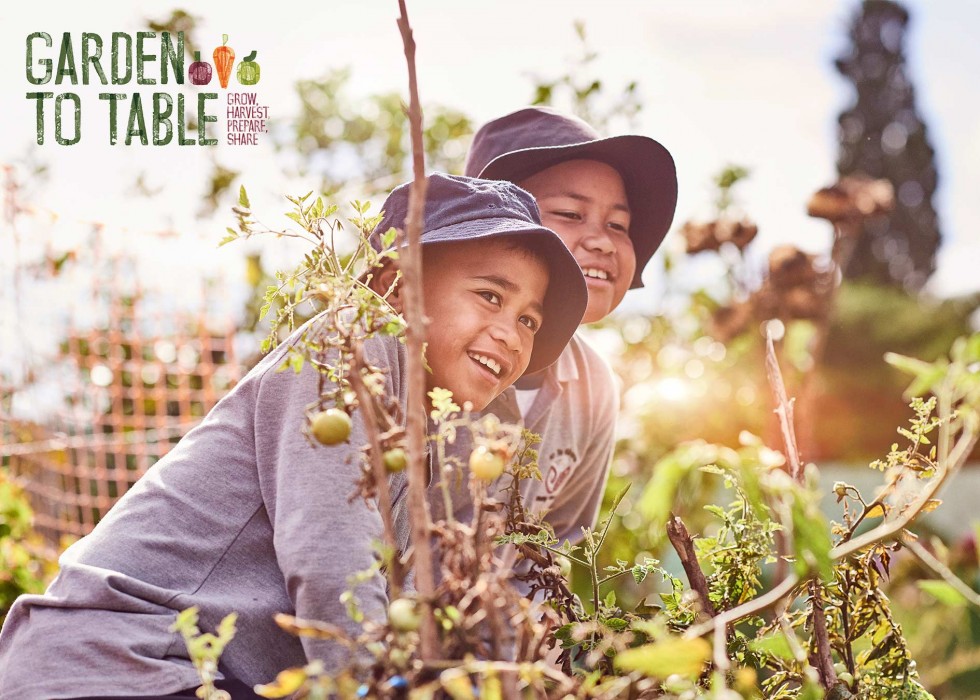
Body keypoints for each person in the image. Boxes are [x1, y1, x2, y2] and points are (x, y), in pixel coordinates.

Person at [0, 173, 587, 700]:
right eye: (490, 296)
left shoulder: (430, 438)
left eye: (529, 320)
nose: (510, 333)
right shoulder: (350, 349)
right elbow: (332, 561)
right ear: (393, 286)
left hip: (200, 673)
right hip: (118, 658)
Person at [430, 107, 677, 554]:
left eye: (618, 225)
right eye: (569, 213)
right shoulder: (428, 354)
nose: (602, 240)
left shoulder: (595, 388)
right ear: (492, 224)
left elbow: (553, 550)